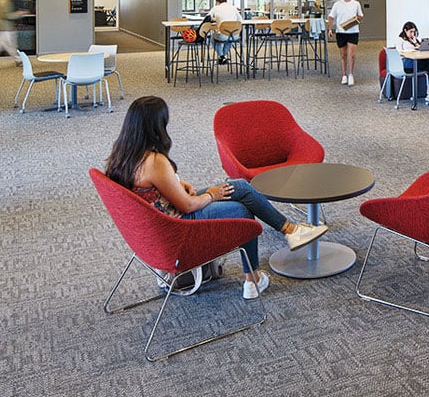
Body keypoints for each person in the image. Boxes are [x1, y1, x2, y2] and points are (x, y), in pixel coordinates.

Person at [103, 97, 328, 299]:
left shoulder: (124, 155)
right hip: (178, 224)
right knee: (242, 212)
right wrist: (212, 195)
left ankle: (292, 231)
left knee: (238, 186)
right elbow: (188, 205)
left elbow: (151, 187)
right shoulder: (154, 161)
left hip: (163, 217)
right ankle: (253, 280)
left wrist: (177, 183)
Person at [396, 21, 429, 103]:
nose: (412, 34)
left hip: (417, 62)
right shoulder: (400, 39)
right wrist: (413, 49)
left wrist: (419, 47)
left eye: (414, 32)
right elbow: (399, 52)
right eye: (410, 32)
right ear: (405, 30)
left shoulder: (414, 39)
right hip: (407, 64)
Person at [327, 0, 364, 86]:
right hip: (341, 32)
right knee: (343, 55)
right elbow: (331, 17)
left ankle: (351, 74)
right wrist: (330, 29)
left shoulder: (356, 4)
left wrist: (356, 18)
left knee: (351, 55)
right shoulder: (337, 4)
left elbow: (361, 16)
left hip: (353, 31)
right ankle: (344, 75)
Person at [207, 0, 242, 65]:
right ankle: (223, 57)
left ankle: (221, 56)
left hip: (223, 35)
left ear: (218, 2)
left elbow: (207, 18)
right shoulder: (233, 7)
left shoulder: (216, 8)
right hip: (235, 35)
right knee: (229, 38)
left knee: (213, 38)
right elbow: (240, 20)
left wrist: (215, 19)